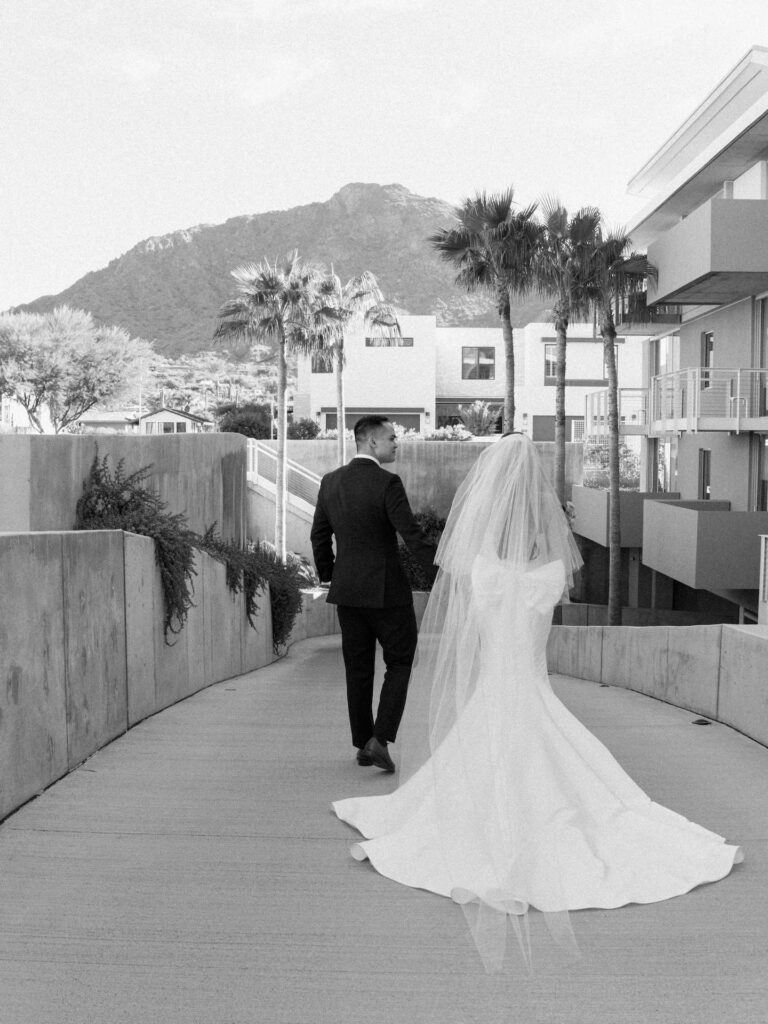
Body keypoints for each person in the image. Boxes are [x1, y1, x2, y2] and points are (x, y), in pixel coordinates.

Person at [332, 433, 743, 971]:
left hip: (492, 689)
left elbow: (468, 612)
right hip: (532, 686)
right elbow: (554, 588)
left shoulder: (479, 564)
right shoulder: (552, 567)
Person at [310, 415, 437, 772]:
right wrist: (441, 575)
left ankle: (363, 744)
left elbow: (319, 535)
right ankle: (380, 739)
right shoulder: (387, 483)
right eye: (392, 438)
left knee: (358, 669)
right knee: (401, 662)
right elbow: (411, 535)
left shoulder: (330, 482)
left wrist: (329, 576)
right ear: (371, 442)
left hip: (347, 593)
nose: (397, 443)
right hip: (387, 593)